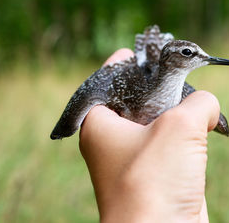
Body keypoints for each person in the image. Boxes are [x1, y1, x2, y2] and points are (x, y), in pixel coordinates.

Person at [79, 48, 221, 222]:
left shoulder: (179, 93)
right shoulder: (126, 89)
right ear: (170, 60)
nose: (205, 58)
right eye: (188, 53)